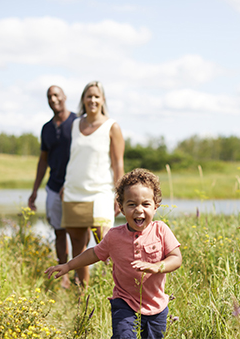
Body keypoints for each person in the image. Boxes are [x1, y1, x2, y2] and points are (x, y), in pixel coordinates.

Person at [46, 168, 182, 339]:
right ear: (121, 208)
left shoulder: (161, 230)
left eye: (146, 204)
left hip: (156, 305)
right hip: (124, 302)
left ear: (155, 207)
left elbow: (176, 258)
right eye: (131, 204)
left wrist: (157, 266)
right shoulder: (114, 236)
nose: (139, 210)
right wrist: (68, 265)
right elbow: (94, 253)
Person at [60, 81, 125, 286]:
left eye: (97, 96)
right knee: (78, 247)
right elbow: (73, 157)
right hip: (73, 192)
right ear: (83, 100)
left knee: (106, 244)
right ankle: (83, 295)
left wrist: (120, 194)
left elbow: (118, 163)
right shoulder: (74, 125)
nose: (93, 100)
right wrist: (64, 184)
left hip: (101, 193)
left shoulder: (111, 127)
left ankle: (122, 290)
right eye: (89, 96)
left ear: (103, 100)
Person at [28, 85, 76, 289]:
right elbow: (43, 160)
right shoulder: (46, 128)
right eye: (49, 96)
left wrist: (72, 182)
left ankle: (80, 277)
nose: (53, 99)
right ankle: (63, 274)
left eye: (57, 94)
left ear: (65, 97)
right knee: (59, 231)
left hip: (75, 187)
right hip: (53, 187)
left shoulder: (77, 122)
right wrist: (34, 191)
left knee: (78, 232)